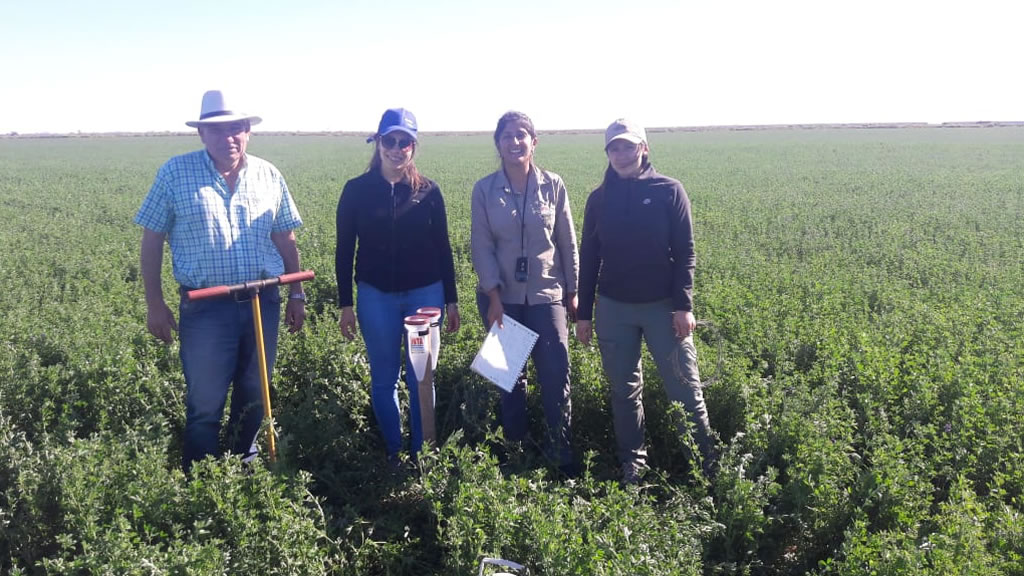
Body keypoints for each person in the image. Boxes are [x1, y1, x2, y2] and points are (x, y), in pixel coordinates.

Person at [135, 90, 307, 472]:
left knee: (254, 394)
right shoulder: (175, 173)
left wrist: (297, 293)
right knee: (206, 402)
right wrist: (155, 303)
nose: (227, 138)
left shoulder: (268, 174)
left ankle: (243, 465)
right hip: (206, 307)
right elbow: (152, 238)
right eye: (217, 130)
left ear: (248, 132)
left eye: (236, 129)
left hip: (263, 301)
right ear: (201, 134)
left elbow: (285, 237)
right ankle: (202, 481)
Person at [576, 119, 717, 483]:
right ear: (607, 153)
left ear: (644, 148)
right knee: (623, 392)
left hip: (662, 308)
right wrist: (585, 314)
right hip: (613, 308)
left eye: (628, 146)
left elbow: (685, 253)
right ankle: (633, 463)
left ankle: (706, 468)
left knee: (686, 390)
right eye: (614, 147)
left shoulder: (670, 191)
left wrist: (683, 306)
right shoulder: (599, 198)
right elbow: (589, 257)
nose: (621, 154)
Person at [336, 108, 460, 462]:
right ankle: (395, 452)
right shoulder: (356, 191)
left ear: (413, 146)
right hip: (376, 297)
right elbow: (345, 251)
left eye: (404, 141)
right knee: (384, 376)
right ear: (377, 143)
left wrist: (451, 300)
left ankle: (423, 452)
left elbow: (444, 248)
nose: (396, 148)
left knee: (422, 377)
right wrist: (346, 303)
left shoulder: (428, 191)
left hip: (425, 295)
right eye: (388, 140)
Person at [471, 111, 579, 475]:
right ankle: (515, 453)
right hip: (504, 299)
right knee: (509, 379)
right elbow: (481, 246)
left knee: (556, 374)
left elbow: (566, 240)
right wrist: (494, 299)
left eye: (522, 135)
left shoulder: (554, 185)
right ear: (497, 143)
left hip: (548, 295)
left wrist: (574, 292)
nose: (515, 142)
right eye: (507, 136)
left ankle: (560, 454)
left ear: (534, 142)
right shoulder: (484, 190)